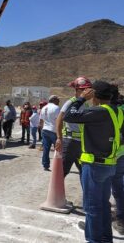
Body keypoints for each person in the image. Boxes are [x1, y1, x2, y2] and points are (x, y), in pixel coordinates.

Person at [63, 81, 124, 242]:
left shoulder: (98, 111)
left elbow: (69, 116)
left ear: (94, 95)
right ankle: (105, 239)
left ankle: (94, 240)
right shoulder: (116, 111)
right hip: (109, 165)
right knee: (103, 205)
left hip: (94, 166)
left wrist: (80, 99)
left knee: (92, 208)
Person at [55, 76, 92, 178]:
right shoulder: (71, 102)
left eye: (88, 89)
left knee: (84, 172)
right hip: (70, 142)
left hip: (82, 144)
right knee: (62, 171)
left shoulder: (86, 105)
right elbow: (59, 119)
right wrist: (59, 138)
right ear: (77, 90)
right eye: (83, 89)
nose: (86, 91)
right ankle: (56, 193)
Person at [110, 85, 124, 234]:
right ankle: (121, 220)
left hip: (110, 154)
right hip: (121, 153)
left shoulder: (108, 111)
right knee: (119, 187)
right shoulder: (121, 109)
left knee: (101, 189)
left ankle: (100, 220)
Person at [39, 95, 60, 171]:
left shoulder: (44, 108)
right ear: (54, 100)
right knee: (58, 149)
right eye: (58, 99)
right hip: (53, 131)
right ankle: (57, 166)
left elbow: (41, 121)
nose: (59, 101)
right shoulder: (56, 108)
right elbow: (59, 121)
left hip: (45, 130)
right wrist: (60, 134)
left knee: (46, 149)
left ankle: (45, 165)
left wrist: (42, 130)